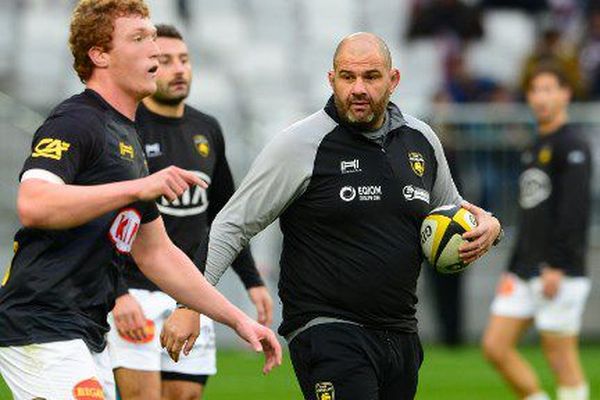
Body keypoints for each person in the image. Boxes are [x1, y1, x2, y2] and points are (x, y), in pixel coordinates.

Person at [163, 32, 502, 400]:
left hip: (400, 332)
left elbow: (453, 210)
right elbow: (232, 224)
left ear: (394, 80)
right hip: (327, 329)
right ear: (331, 79)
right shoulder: (300, 144)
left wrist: (491, 227)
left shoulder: (421, 140)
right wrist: (189, 303)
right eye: (347, 77)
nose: (358, 88)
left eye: (371, 77)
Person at [0, 2, 281, 399]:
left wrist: (237, 319)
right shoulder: (76, 121)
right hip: (43, 324)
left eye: (152, 37)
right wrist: (137, 189)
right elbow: (34, 202)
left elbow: (158, 254)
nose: (153, 49)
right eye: (138, 39)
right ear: (99, 54)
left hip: (84, 329)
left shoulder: (127, 137)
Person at [108, 24, 274, 400]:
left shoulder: (207, 127)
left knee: (185, 396)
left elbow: (225, 214)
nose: (179, 69)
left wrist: (252, 280)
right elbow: (105, 220)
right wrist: (118, 295)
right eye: (164, 61)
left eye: (184, 60)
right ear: (148, 67)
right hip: (135, 289)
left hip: (191, 292)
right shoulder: (125, 128)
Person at [482, 65, 592, 400]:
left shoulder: (573, 144)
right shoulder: (534, 146)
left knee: (560, 356)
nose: (541, 98)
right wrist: (514, 265)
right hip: (524, 266)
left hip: (559, 267)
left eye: (549, 89)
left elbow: (574, 212)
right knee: (495, 346)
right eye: (535, 90)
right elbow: (532, 213)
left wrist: (558, 265)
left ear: (565, 95)